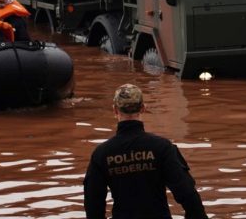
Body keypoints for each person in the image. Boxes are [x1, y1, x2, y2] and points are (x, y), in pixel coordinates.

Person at [84, 84, 207, 219]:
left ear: (115, 110)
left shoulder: (102, 153)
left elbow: (93, 204)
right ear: (143, 108)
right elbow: (188, 194)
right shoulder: (163, 148)